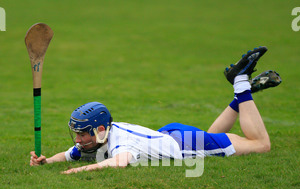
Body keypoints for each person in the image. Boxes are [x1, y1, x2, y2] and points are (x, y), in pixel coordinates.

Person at [30, 46, 281, 174]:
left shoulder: (119, 144)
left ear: (101, 130)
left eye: (82, 134)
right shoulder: (97, 139)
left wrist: (77, 172)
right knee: (213, 140)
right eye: (77, 133)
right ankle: (242, 95)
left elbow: (118, 163)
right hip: (175, 136)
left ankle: (241, 84)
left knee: (260, 145)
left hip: (184, 143)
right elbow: (69, 154)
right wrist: (46, 161)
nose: (77, 139)